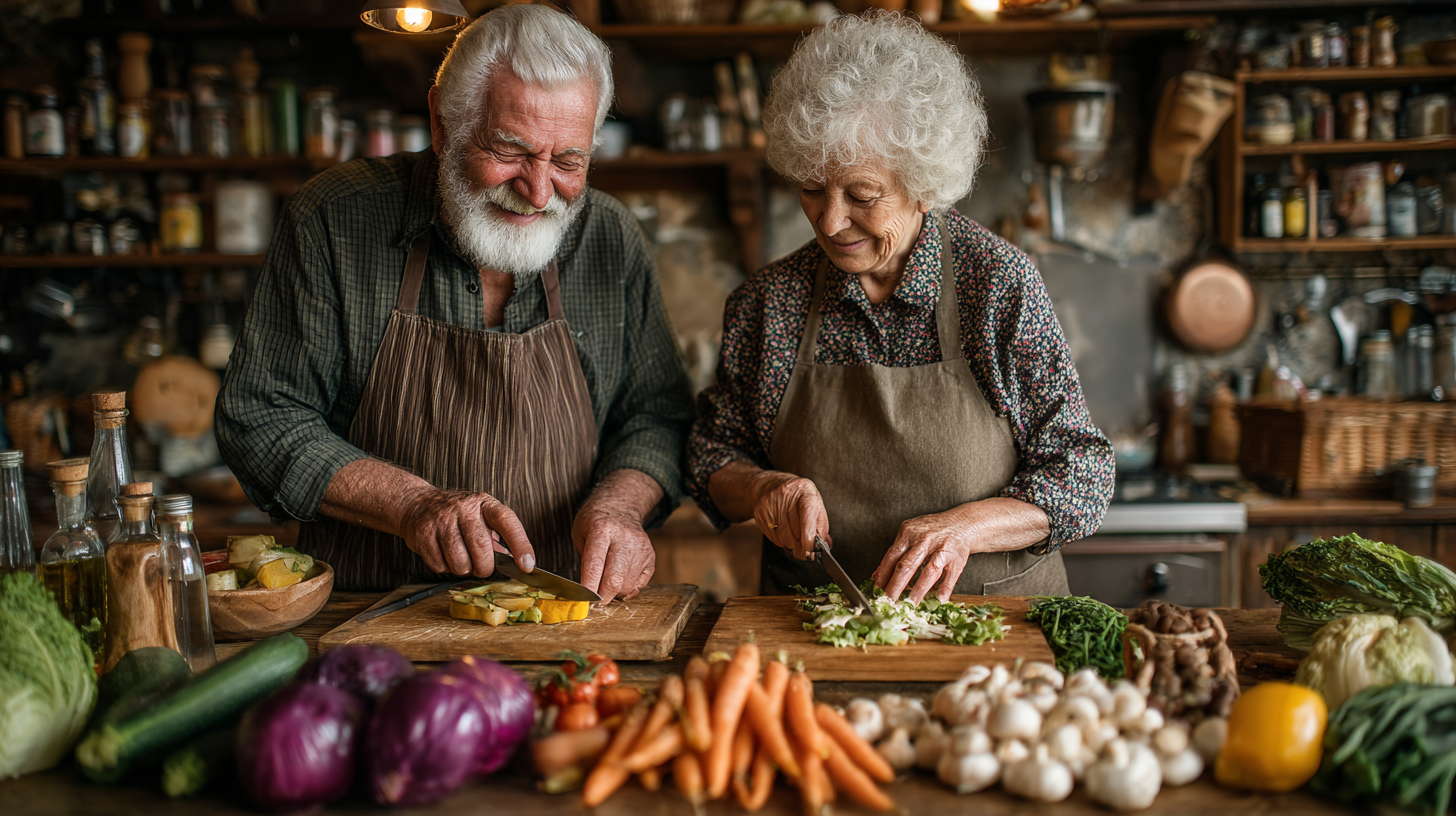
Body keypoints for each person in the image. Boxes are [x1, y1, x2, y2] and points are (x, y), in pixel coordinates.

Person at [216, 5, 694, 600]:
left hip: (562, 616)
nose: (540, 190)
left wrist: (620, 507)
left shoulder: (609, 238)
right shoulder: (334, 219)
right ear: (442, 125)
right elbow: (261, 415)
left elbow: (658, 416)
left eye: (568, 161)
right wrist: (412, 505)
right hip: (363, 617)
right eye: (510, 151)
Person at [686, 13, 1114, 603]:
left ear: (923, 183)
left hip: (993, 639)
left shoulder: (995, 286)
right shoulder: (769, 303)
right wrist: (762, 488)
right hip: (814, 631)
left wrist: (965, 528)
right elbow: (712, 453)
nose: (831, 222)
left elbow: (1082, 472)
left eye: (862, 196)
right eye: (812, 188)